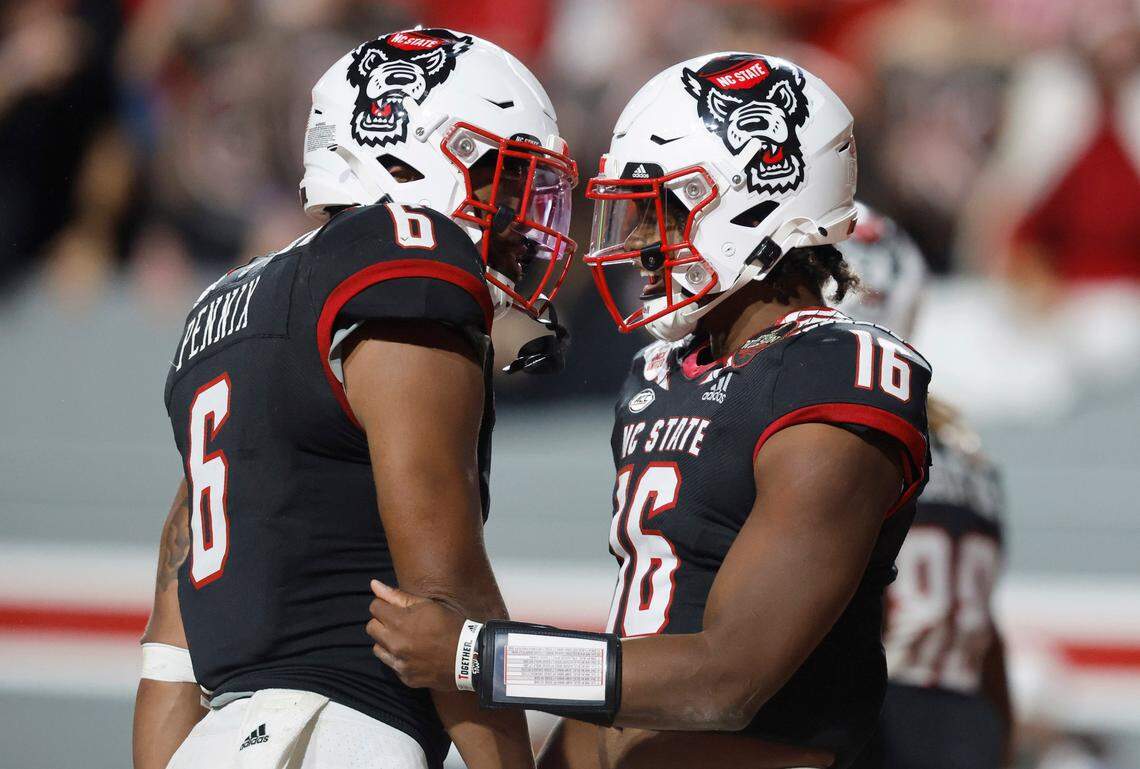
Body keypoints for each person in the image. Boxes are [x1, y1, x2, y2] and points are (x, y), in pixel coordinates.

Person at [366, 53, 931, 769]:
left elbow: (727, 679)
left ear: (749, 198)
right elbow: (640, 644)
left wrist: (481, 655)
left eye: (658, 209)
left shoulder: (837, 374)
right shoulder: (661, 372)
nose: (634, 242)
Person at [131, 28, 577, 769]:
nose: (517, 215)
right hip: (343, 738)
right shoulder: (404, 259)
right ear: (414, 155)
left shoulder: (227, 301)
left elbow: (170, 644)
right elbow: (445, 591)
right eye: (503, 177)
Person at [837, 204, 1011, 769]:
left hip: (881, 718)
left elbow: (844, 596)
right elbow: (987, 638)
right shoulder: (966, 446)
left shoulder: (855, 433)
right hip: (967, 720)